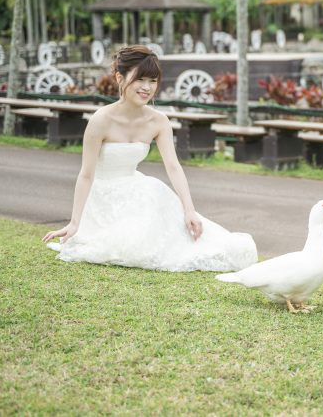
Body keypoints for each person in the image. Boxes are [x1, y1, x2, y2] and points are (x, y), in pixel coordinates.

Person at [42, 45, 257, 272]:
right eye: (140, 79)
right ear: (120, 78)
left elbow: (173, 167)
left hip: (138, 192)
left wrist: (189, 210)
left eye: (153, 81)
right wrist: (75, 222)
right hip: (103, 198)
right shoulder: (100, 121)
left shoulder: (158, 121)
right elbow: (86, 174)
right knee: (126, 247)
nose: (147, 88)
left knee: (175, 230)